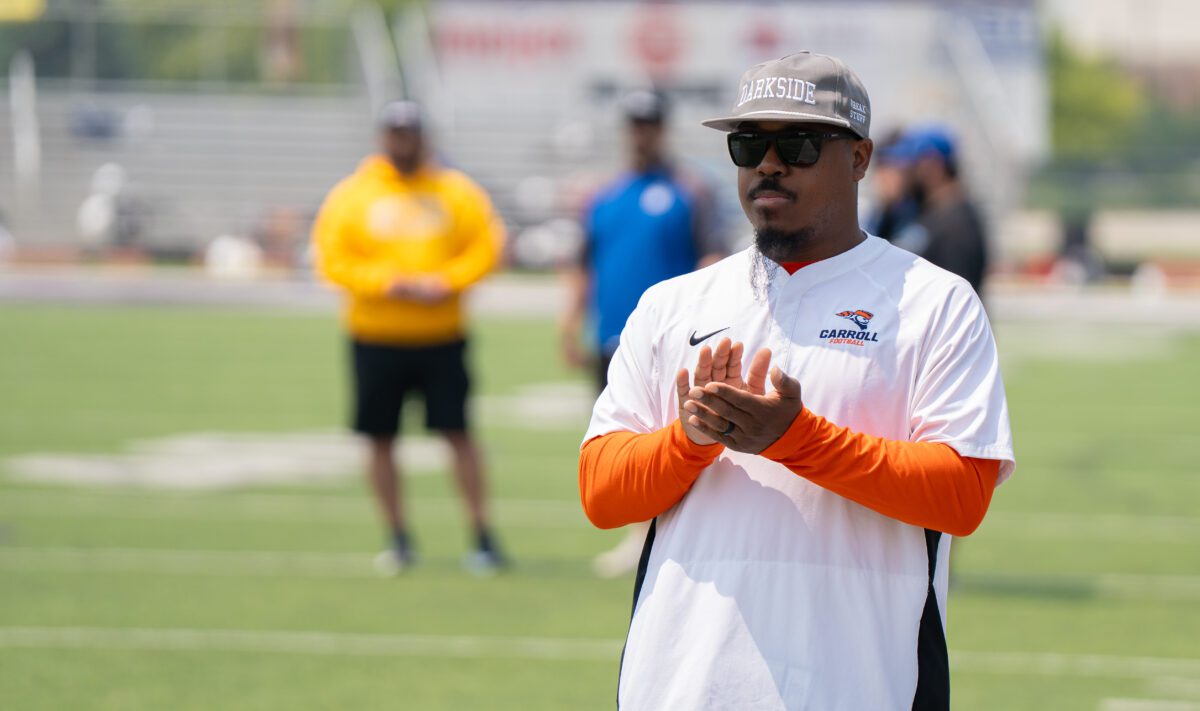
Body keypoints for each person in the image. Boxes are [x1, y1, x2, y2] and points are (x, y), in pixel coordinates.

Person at [578, 52, 1014, 709]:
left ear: (861, 159)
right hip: (681, 684)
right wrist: (690, 438)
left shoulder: (934, 303)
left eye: (800, 144)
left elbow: (963, 494)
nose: (769, 164)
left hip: (863, 685)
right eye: (749, 143)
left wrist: (796, 437)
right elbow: (601, 493)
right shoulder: (673, 304)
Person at [312, 99, 507, 575]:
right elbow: (331, 257)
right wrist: (385, 282)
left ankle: (481, 535)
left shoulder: (454, 191)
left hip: (441, 334)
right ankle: (397, 536)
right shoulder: (353, 194)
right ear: (383, 137)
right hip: (376, 334)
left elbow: (487, 243)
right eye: (396, 133)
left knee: (458, 433)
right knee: (380, 437)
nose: (404, 141)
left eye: (411, 133)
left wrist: (449, 280)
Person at [560, 89, 727, 578]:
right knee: (620, 439)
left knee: (672, 438)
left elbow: (711, 258)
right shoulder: (602, 194)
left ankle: (657, 537)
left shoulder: (689, 190)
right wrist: (569, 322)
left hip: (670, 339)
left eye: (649, 123)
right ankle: (639, 532)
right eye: (635, 124)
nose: (642, 132)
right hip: (611, 334)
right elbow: (584, 264)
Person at [882, 124, 990, 295]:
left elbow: (957, 298)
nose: (903, 174)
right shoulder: (923, 212)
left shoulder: (958, 225)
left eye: (909, 166)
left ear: (931, 166)